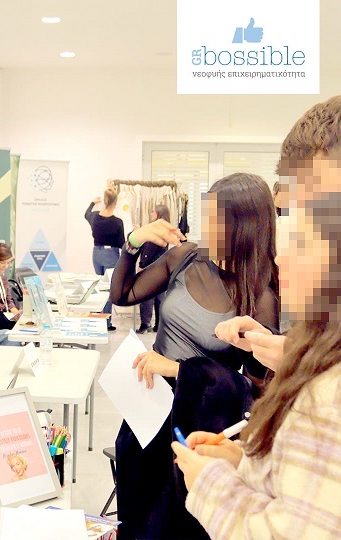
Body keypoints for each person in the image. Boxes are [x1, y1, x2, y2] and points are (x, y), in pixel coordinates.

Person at [172, 95, 341, 539]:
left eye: (312, 226)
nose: (287, 251)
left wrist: (211, 484)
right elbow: (311, 501)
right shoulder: (188, 261)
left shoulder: (327, 399)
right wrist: (247, 464)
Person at [110, 173, 279, 539]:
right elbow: (122, 295)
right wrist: (134, 241)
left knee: (175, 525)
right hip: (146, 407)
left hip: (199, 427)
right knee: (135, 518)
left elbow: (253, 390)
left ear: (244, 226)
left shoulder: (259, 295)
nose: (208, 226)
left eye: (218, 218)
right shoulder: (186, 257)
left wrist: (176, 369)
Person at [84, 189, 125, 331]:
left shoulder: (95, 217)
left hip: (96, 254)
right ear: (115, 202)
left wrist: (92, 203)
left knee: (99, 285)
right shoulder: (117, 222)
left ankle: (98, 318)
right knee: (108, 288)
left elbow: (86, 214)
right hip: (111, 255)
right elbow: (121, 243)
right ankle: (106, 321)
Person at [136, 204, 171, 334]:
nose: (151, 214)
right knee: (159, 297)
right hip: (161, 268)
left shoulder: (156, 230)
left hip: (151, 267)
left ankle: (145, 324)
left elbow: (149, 250)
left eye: (152, 212)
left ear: (158, 214)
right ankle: (158, 325)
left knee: (146, 297)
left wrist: (141, 265)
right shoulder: (165, 229)